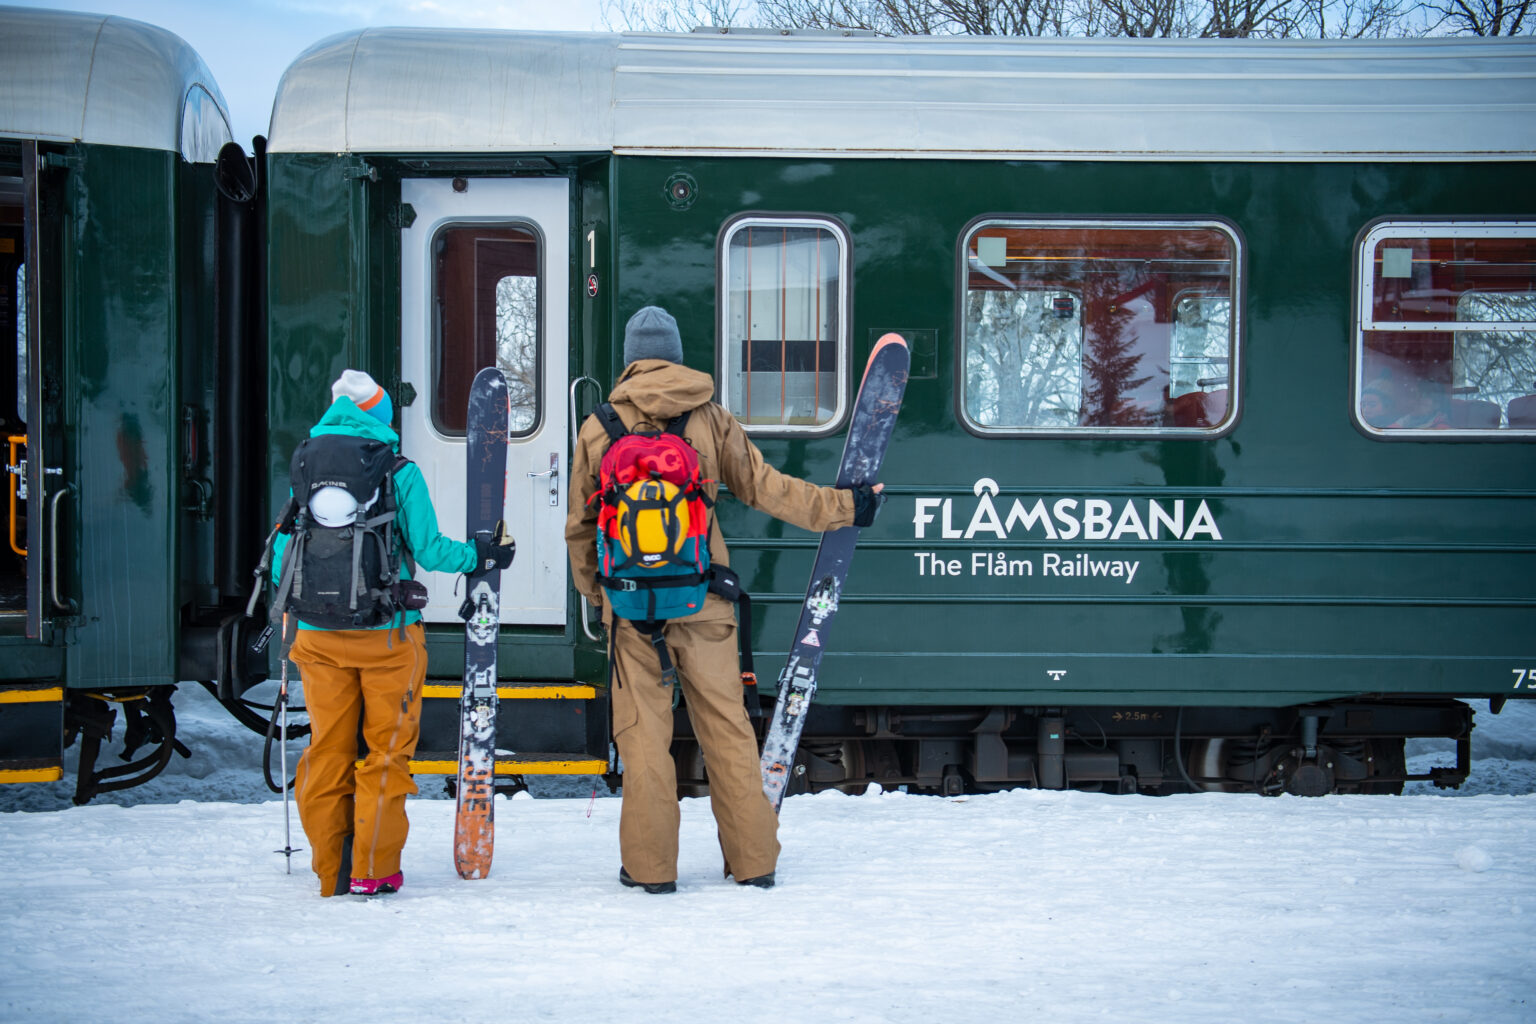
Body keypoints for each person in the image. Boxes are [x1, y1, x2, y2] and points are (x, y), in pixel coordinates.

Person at [565, 306, 884, 894]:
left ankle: (651, 871)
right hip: (704, 599)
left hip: (631, 612)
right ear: (677, 354)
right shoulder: (709, 418)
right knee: (728, 735)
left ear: (632, 357)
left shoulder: (598, 425)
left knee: (644, 740)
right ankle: (753, 861)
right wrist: (847, 507)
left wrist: (602, 596)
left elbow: (580, 530)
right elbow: (769, 491)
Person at [275, 369, 514, 897]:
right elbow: (429, 550)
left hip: (315, 639)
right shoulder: (396, 470)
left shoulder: (306, 465)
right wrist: (482, 556)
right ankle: (373, 870)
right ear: (381, 416)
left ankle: (329, 872)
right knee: (384, 756)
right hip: (388, 639)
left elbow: (279, 563)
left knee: (327, 751)